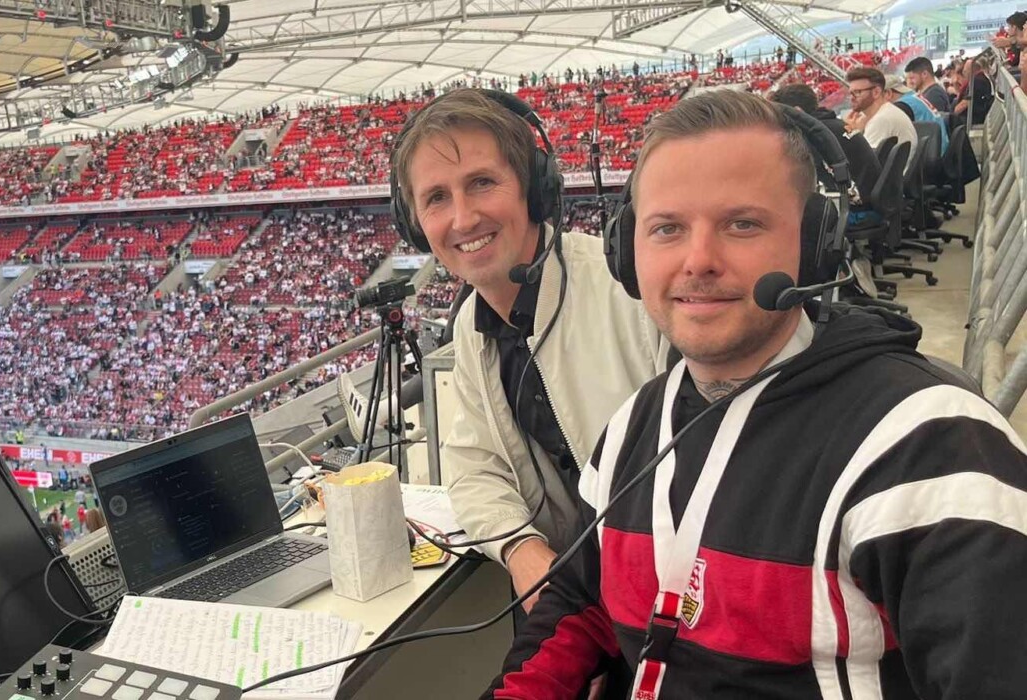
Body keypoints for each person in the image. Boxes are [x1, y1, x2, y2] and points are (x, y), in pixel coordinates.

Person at [492, 89, 1027, 698]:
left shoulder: (931, 448)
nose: (698, 260)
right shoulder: (633, 429)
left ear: (816, 240)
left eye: (741, 224)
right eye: (666, 228)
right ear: (625, 252)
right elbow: (580, 601)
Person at [390, 88, 666, 695]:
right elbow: (472, 467)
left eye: (482, 183)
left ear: (536, 188)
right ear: (416, 222)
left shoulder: (630, 293)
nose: (462, 218)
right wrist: (523, 552)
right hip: (576, 608)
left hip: (669, 607)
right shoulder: (471, 327)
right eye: (437, 197)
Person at [842, 66, 916, 154]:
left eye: (857, 92)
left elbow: (864, 162)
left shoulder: (881, 119)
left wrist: (852, 133)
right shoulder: (885, 113)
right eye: (851, 93)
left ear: (876, 92)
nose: (852, 98)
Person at [884, 76, 948, 156]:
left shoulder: (901, 107)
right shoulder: (912, 96)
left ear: (888, 93)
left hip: (930, 157)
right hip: (941, 149)